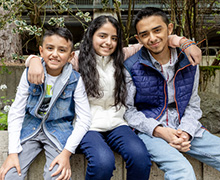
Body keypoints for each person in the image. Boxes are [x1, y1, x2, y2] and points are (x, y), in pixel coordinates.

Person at [24, 15, 201, 179]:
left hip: (118, 123)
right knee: (103, 162)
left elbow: (155, 42)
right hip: (86, 125)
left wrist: (185, 43)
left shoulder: (122, 55)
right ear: (91, 35)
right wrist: (33, 60)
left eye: (114, 38)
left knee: (140, 158)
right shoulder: (77, 59)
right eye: (102, 36)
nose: (108, 42)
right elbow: (53, 58)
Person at [124, 7, 220, 180]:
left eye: (157, 30)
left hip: (185, 126)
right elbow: (128, 111)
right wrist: (159, 131)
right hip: (149, 131)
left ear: (169, 29)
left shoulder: (188, 60)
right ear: (138, 39)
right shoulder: (131, 66)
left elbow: (192, 103)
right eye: (145, 34)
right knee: (183, 172)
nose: (152, 38)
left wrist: (186, 131)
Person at [0, 27, 91, 180]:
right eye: (50, 48)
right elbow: (17, 111)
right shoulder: (29, 73)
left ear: (71, 56)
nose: (55, 54)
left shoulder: (75, 80)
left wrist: (66, 153)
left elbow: (84, 119)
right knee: (9, 175)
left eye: (62, 50)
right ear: (41, 51)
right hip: (31, 128)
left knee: (56, 176)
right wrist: (12, 153)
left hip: (58, 131)